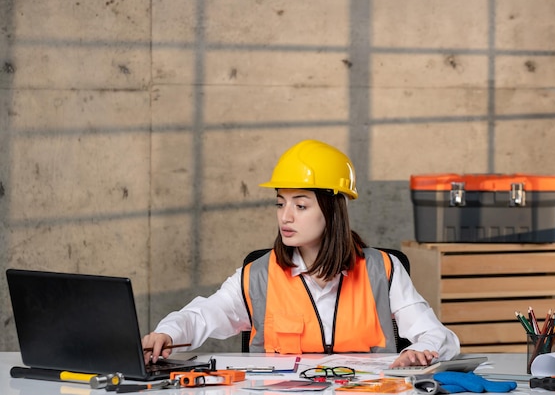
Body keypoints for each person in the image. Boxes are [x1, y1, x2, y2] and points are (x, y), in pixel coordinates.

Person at [142, 139, 460, 367]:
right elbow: (204, 316)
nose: (286, 216)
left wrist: (422, 351)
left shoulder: (383, 270)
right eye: (281, 203)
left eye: (301, 205)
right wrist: (166, 334)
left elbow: (437, 336)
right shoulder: (258, 275)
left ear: (332, 210)